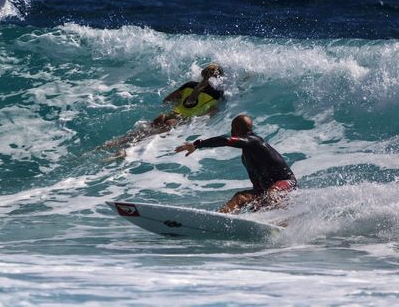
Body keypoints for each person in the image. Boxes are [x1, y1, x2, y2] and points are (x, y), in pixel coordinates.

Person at [175, 114, 297, 214]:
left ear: (235, 130)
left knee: (271, 195)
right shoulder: (247, 154)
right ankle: (219, 218)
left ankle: (284, 219)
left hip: (286, 182)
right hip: (266, 189)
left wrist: (197, 144)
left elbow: (225, 140)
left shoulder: (254, 141)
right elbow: (257, 183)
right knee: (241, 198)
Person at [97, 63, 225, 152]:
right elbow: (211, 112)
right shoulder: (217, 94)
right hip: (179, 121)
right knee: (143, 142)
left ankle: (104, 146)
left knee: (136, 135)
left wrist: (180, 104)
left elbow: (167, 100)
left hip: (167, 115)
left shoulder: (189, 85)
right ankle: (122, 153)